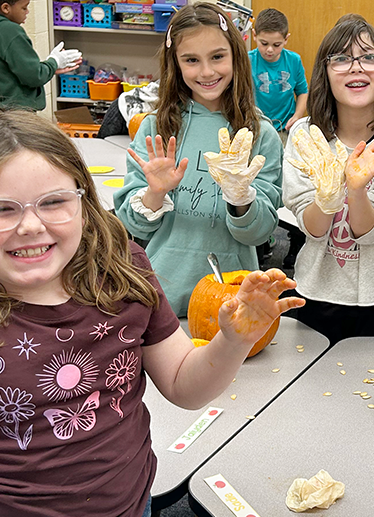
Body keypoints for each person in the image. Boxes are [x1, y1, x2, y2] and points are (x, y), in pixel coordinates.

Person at [0, 108, 303, 517]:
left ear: (82, 200)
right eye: (0, 209)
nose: (30, 225)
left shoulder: (123, 272)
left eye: (54, 202)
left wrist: (234, 342)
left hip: (129, 514)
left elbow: (184, 386)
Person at [114, 3, 283, 317]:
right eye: (191, 60)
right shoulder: (155, 128)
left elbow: (259, 233)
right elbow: (131, 224)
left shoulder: (260, 135)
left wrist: (240, 198)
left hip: (233, 298)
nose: (206, 72)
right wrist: (155, 193)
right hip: (161, 295)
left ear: (236, 55)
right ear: (175, 64)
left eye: (217, 57)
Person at [281, 15, 374, 344]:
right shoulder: (305, 136)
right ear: (325, 71)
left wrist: (358, 189)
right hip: (316, 291)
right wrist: (331, 189)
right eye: (342, 58)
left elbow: (369, 231)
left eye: (369, 57)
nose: (356, 67)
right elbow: (314, 228)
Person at [0, 0, 82, 111]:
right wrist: (54, 62)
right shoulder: (10, 30)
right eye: (24, 7)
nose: (27, 11)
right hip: (15, 112)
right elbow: (34, 76)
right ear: (6, 8)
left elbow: (5, 71)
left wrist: (49, 67)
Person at [248, 8, 309, 141]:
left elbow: (303, 92)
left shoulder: (294, 60)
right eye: (264, 43)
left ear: (286, 39)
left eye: (276, 45)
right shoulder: (247, 61)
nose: (269, 50)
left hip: (285, 128)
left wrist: (298, 116)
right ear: (254, 35)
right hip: (256, 126)